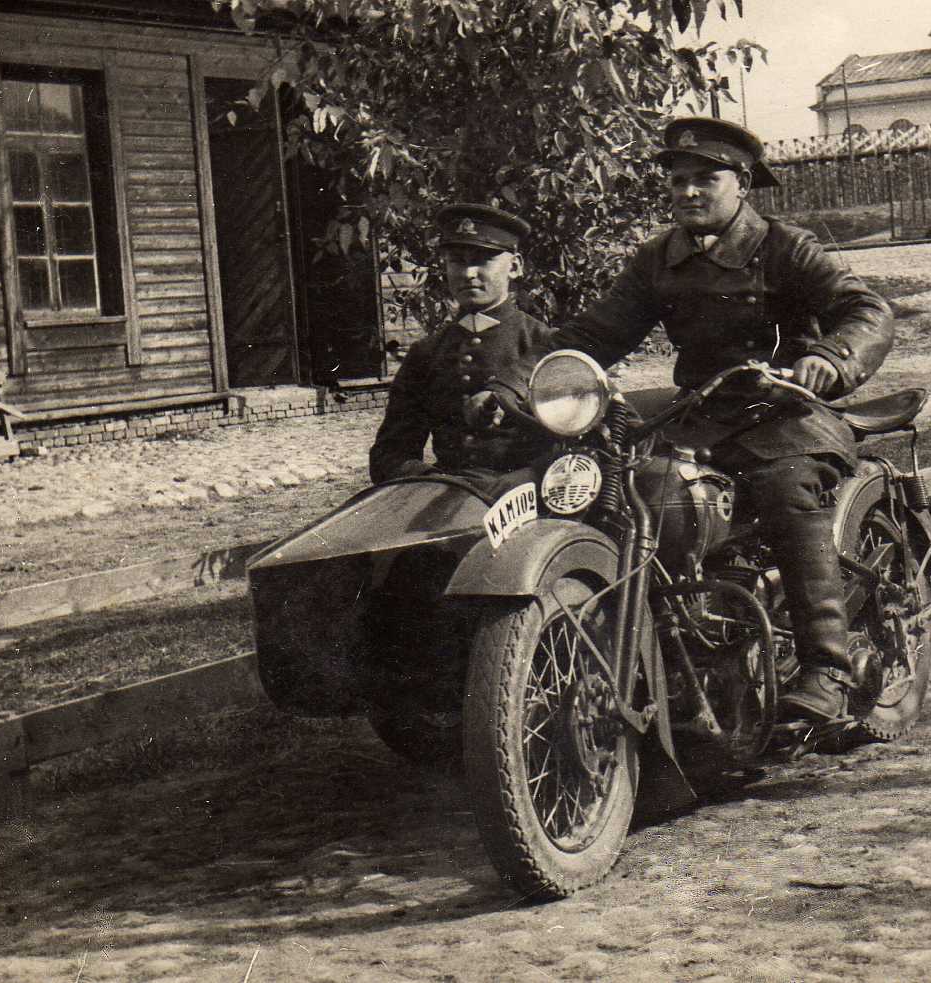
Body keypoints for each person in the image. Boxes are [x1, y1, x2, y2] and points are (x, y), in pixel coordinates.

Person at [545, 117, 897, 723]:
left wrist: (827, 357)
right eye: (678, 180)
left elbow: (865, 308)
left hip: (786, 410)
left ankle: (828, 669)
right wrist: (540, 375)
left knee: (788, 491)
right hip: (700, 411)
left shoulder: (786, 247)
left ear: (742, 183)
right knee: (618, 483)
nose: (688, 191)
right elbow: (596, 333)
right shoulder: (659, 258)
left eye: (705, 178)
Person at [368, 203, 555, 484]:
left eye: (483, 260)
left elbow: (584, 440)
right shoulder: (427, 353)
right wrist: (437, 482)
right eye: (457, 260)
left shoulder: (545, 345)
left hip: (531, 501)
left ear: (515, 266)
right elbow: (390, 454)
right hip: (451, 498)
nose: (468, 273)